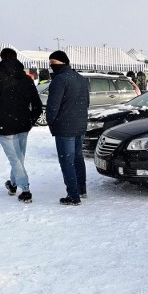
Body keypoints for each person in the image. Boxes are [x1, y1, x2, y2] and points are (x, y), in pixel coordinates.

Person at [0, 48, 43, 203]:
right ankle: (13, 184)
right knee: (18, 157)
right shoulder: (26, 79)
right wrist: (31, 119)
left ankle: (25, 189)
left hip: (5, 124)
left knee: (15, 158)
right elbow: (37, 104)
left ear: (2, 58)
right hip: (23, 122)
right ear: (16, 58)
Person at [46, 50, 90, 206]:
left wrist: (51, 122)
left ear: (61, 62)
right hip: (80, 125)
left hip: (65, 127)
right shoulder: (81, 79)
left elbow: (52, 107)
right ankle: (81, 188)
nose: (51, 66)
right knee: (78, 158)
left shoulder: (59, 80)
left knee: (67, 161)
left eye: (53, 63)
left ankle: (73, 195)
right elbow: (87, 103)